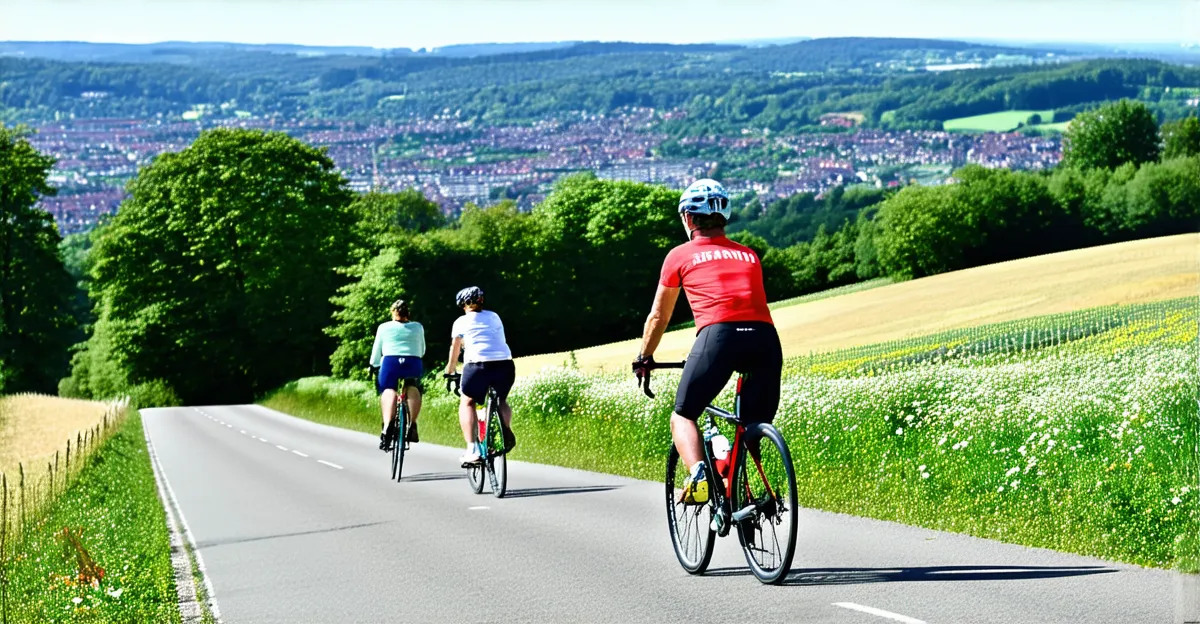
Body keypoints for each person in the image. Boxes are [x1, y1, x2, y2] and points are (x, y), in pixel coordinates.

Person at [632, 178, 783, 504]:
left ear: (688, 218)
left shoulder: (678, 255)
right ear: (723, 216)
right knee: (752, 427)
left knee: (683, 415)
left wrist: (644, 357)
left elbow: (659, 316)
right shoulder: (749, 255)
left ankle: (698, 471)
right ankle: (746, 493)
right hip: (765, 339)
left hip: (719, 337)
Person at [444, 286, 516, 466]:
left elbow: (455, 348)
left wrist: (450, 371)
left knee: (467, 401)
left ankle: (473, 449)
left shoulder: (460, 321)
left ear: (462, 305)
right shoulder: (494, 316)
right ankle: (505, 429)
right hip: (504, 364)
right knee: (501, 399)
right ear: (482, 301)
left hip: (477, 365)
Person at [370, 299, 426, 451]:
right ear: (408, 313)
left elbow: (377, 350)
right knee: (412, 386)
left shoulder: (384, 327)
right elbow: (422, 350)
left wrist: (373, 366)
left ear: (392, 312)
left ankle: (387, 426)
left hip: (390, 362)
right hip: (412, 361)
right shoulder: (417, 327)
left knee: (389, 389)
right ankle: (412, 424)